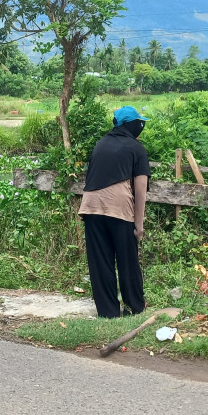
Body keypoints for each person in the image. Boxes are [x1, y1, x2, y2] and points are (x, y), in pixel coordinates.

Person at [78, 106, 150, 318]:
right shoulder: (137, 148)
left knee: (101, 260)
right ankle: (136, 306)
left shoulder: (101, 143)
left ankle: (108, 312)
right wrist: (139, 225)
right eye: (139, 122)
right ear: (131, 125)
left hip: (91, 207)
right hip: (119, 208)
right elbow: (140, 190)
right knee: (127, 260)